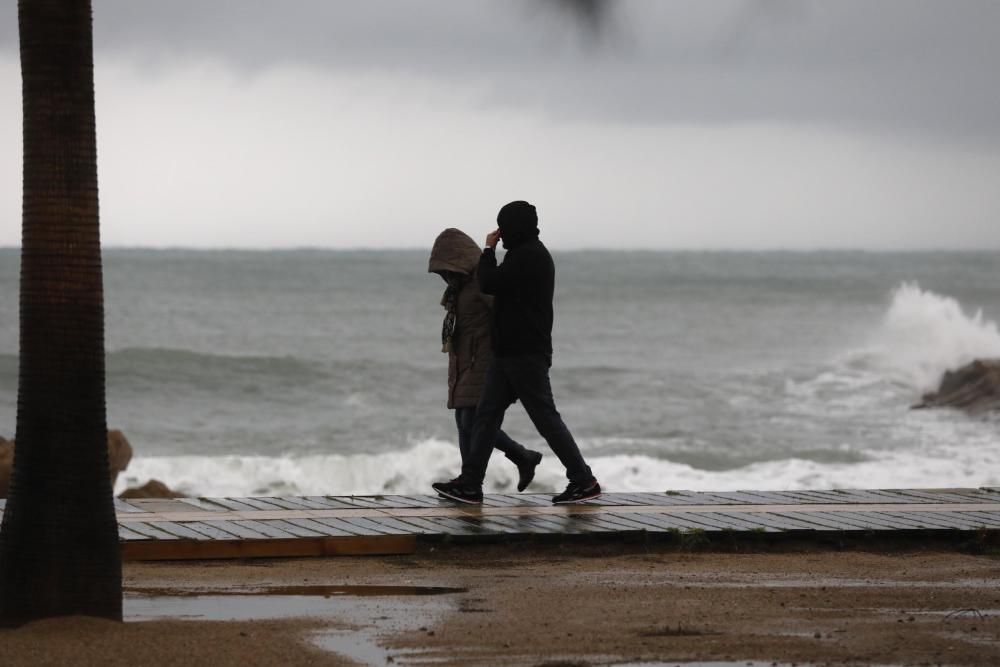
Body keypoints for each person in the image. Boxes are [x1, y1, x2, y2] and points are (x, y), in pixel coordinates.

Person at [432, 201, 602, 505]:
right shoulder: (522, 254)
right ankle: (470, 483)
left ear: (515, 227)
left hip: (525, 355)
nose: (501, 233)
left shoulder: (530, 256)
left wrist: (487, 249)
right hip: (507, 354)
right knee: (484, 417)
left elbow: (489, 282)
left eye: (504, 227)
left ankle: (583, 480)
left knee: (545, 418)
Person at [428, 228, 544, 493]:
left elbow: (507, 313)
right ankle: (475, 479)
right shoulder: (459, 288)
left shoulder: (481, 280)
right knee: (464, 422)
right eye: (441, 272)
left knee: (474, 423)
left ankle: (478, 480)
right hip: (464, 362)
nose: (445, 276)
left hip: (484, 361)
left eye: (447, 269)